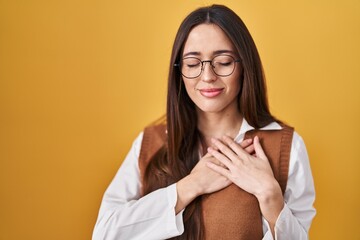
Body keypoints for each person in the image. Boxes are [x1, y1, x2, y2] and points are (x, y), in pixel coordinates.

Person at [92, 4, 316, 240]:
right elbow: (105, 234)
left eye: (224, 61)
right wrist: (189, 187)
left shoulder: (286, 147)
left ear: (244, 67)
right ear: (179, 71)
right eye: (192, 64)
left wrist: (270, 195)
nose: (207, 76)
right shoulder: (150, 142)